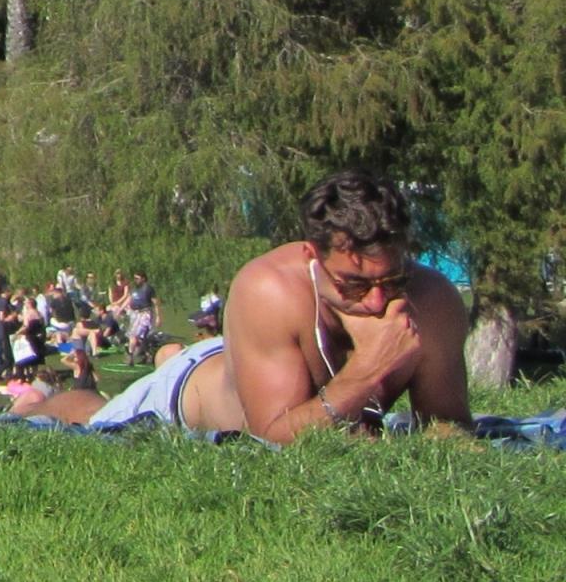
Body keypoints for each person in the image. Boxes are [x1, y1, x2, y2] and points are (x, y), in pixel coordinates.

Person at [46, 170, 473, 439]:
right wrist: (367, 368)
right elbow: (271, 436)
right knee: (92, 416)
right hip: (184, 397)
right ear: (312, 256)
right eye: (354, 284)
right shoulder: (270, 289)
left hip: (254, 359)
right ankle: (39, 401)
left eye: (391, 280)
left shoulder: (432, 300)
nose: (377, 301)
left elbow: (446, 428)